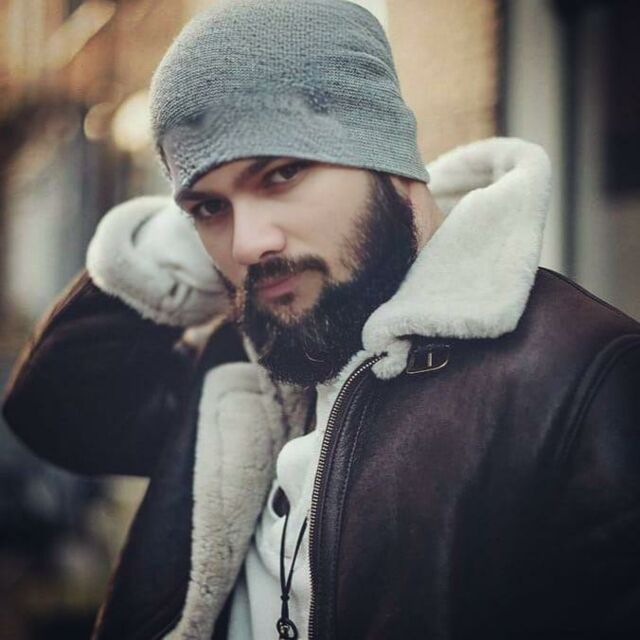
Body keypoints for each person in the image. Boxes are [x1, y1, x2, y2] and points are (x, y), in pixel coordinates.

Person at [3, 0, 640, 638]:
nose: (248, 243)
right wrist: (197, 224)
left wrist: (226, 199)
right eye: (208, 209)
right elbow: (56, 411)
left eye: (282, 173)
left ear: (386, 155)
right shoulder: (250, 354)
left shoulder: (584, 376)